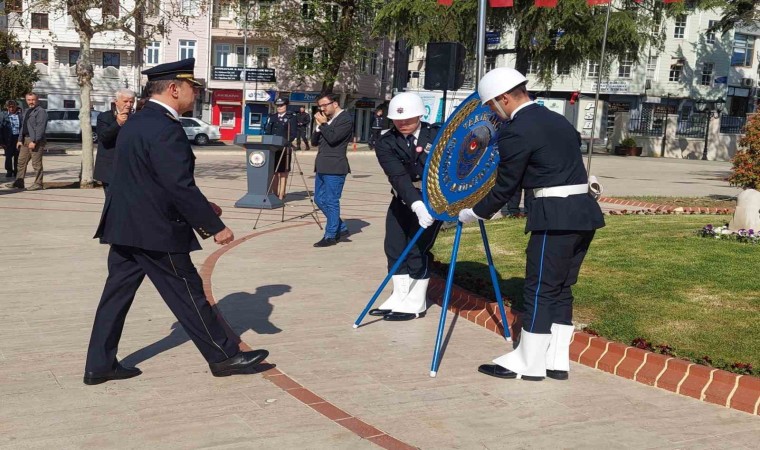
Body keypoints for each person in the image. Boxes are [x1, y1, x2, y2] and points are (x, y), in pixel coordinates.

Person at [83, 58, 268, 385]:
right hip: (156, 230)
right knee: (189, 293)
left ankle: (99, 365)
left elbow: (144, 178)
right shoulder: (166, 129)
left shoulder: (136, 123)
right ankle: (224, 356)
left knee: (115, 297)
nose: (195, 94)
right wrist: (214, 226)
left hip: (124, 226)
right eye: (192, 88)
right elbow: (177, 185)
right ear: (173, 89)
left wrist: (202, 205)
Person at [458, 68, 605, 382]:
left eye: (492, 106)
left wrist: (476, 213)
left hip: (555, 216)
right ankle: (556, 360)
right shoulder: (556, 119)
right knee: (561, 288)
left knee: (539, 288)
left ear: (505, 98)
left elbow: (506, 185)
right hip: (583, 215)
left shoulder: (517, 129)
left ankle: (528, 362)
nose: (492, 113)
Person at [370, 92, 442, 321]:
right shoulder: (386, 142)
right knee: (393, 246)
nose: (402, 124)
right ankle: (400, 295)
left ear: (420, 115)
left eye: (408, 120)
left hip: (432, 200)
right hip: (404, 198)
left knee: (416, 249)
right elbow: (398, 176)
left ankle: (416, 301)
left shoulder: (438, 135)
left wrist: (428, 205)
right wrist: (416, 204)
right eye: (397, 120)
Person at [311, 93, 354, 247]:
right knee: (319, 199)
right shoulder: (327, 121)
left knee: (331, 201)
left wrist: (323, 125)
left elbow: (334, 138)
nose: (322, 108)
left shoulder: (345, 119)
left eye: (324, 105)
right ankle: (340, 227)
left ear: (335, 104)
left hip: (335, 166)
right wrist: (318, 126)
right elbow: (314, 142)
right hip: (322, 165)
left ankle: (330, 235)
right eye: (320, 106)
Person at [94, 88, 136, 195]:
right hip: (110, 169)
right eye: (125, 101)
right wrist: (117, 123)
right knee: (112, 202)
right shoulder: (104, 117)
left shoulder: (136, 118)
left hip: (129, 169)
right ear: (116, 101)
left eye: (131, 101)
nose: (128, 104)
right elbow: (103, 137)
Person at [5, 93, 47, 190]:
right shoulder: (27, 111)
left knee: (36, 164)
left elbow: (40, 128)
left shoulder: (41, 112)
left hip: (35, 141)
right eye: (29, 100)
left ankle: (38, 184)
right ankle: (19, 182)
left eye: (33, 100)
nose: (31, 102)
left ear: (37, 100)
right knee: (21, 162)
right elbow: (23, 127)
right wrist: (20, 140)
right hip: (25, 140)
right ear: (26, 100)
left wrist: (35, 141)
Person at [265, 97, 297, 199]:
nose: (279, 107)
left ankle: (281, 194)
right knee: (274, 172)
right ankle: (274, 194)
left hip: (284, 148)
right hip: (273, 148)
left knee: (283, 172)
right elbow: (268, 132)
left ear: (286, 106)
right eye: (278, 105)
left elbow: (293, 134)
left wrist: (286, 142)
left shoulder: (291, 117)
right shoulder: (272, 117)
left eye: (281, 105)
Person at [1, 100, 22, 179]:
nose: (12, 108)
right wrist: (2, 141)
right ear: (7, 107)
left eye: (13, 107)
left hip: (18, 138)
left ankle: (16, 171)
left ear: (16, 107)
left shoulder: (20, 115)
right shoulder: (3, 115)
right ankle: (9, 171)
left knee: (17, 156)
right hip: (8, 139)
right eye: (10, 107)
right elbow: (1, 128)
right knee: (8, 156)